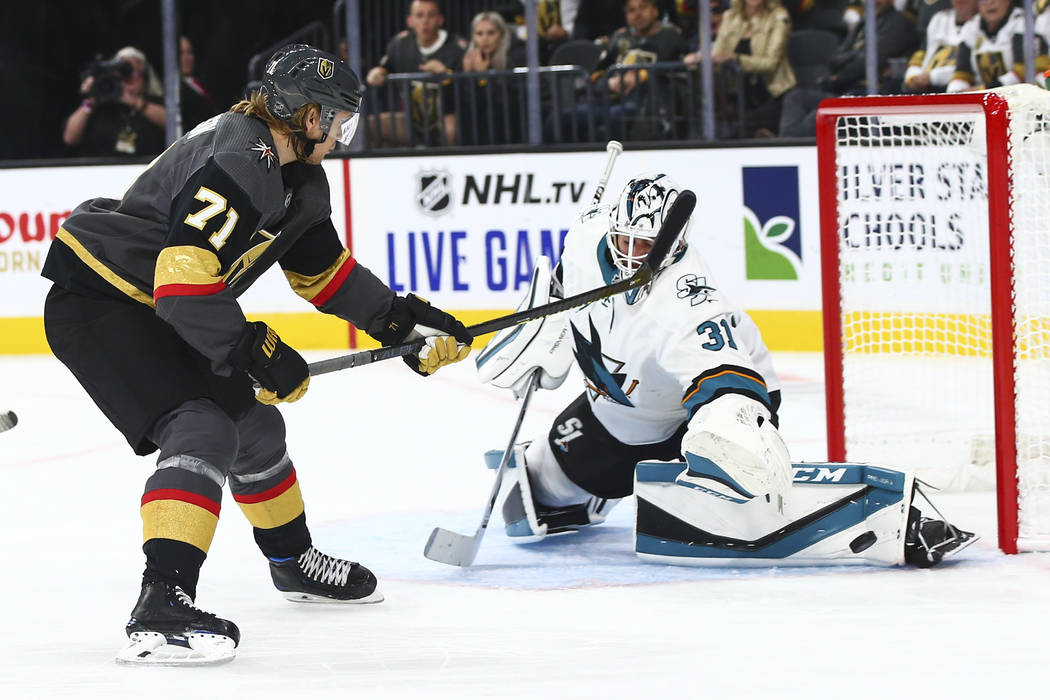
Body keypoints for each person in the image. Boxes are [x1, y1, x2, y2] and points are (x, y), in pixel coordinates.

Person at [41, 44, 473, 666]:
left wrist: (400, 322)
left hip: (156, 306)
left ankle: (292, 562)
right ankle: (162, 604)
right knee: (201, 425)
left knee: (257, 428)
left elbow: (324, 274)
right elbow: (182, 277)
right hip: (102, 303)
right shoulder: (241, 155)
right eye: (338, 118)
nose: (343, 132)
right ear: (307, 115)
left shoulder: (297, 175)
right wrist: (249, 348)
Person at [476, 172, 973, 567]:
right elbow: (560, 285)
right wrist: (546, 328)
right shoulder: (586, 238)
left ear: (671, 243)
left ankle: (880, 513)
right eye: (622, 241)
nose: (629, 256)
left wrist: (725, 433)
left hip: (695, 413)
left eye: (644, 247)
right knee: (534, 495)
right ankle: (595, 495)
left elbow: (729, 381)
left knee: (729, 457)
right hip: (619, 414)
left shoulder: (689, 299)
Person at [778, 0, 917, 136]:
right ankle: (787, 146)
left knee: (818, 116)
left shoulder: (898, 23)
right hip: (847, 91)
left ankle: (791, 147)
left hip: (871, 95)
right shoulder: (864, 23)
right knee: (795, 97)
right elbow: (834, 60)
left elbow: (868, 62)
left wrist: (841, 75)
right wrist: (856, 54)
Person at [684, 0, 797, 136]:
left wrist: (736, 58)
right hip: (738, 97)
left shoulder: (779, 17)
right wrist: (699, 58)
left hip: (774, 95)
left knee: (738, 129)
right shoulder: (730, 17)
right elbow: (718, 54)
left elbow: (771, 63)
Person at [365, 0, 466, 146]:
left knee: (451, 129)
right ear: (410, 21)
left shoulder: (456, 46)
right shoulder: (400, 44)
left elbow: (468, 87)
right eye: (419, 15)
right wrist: (377, 72)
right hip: (411, 121)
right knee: (368, 126)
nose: (425, 21)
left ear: (440, 20)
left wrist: (446, 73)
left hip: (446, 118)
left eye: (431, 15)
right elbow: (386, 66)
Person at [62, 45, 167, 158]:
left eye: (131, 75)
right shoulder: (101, 104)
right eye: (121, 76)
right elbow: (70, 138)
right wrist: (91, 99)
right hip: (102, 169)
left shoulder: (154, 103)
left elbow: (171, 123)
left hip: (145, 168)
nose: (126, 81)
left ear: (144, 78)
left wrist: (134, 102)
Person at [946, 0, 1048, 93]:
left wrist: (983, 90)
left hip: (1023, 97)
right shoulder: (970, 28)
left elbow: (1024, 72)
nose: (990, 2)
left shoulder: (1024, 23)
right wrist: (953, 94)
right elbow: (962, 73)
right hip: (984, 98)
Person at [460, 11, 527, 145]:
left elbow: (508, 101)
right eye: (479, 34)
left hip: (513, 124)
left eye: (491, 33)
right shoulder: (468, 58)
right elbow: (466, 103)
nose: (485, 39)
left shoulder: (516, 56)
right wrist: (467, 76)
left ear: (501, 35)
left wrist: (484, 77)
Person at [901, 0, 977, 93]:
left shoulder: (980, 25)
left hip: (956, 86)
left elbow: (968, 69)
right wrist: (912, 76)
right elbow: (923, 52)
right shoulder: (940, 18)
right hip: (923, 86)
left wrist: (932, 77)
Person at [180, 35, 219, 131]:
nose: (186, 58)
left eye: (189, 52)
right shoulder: (177, 90)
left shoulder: (202, 83)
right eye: (181, 53)